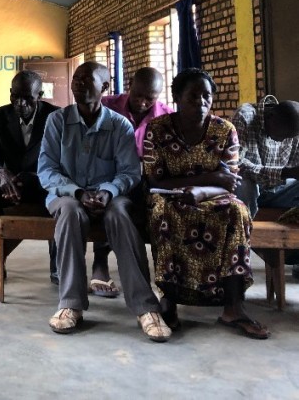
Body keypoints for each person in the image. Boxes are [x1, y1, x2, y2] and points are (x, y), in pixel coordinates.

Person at [38, 62, 170, 342]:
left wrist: (108, 191)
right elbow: (47, 170)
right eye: (76, 78)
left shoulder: (118, 125)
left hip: (108, 197)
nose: (79, 84)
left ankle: (146, 307)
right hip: (67, 197)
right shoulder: (57, 122)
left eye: (88, 79)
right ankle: (70, 304)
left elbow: (129, 172)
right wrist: (76, 192)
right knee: (70, 213)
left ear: (105, 88)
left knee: (121, 214)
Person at [144, 68, 269, 339]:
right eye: (193, 96)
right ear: (177, 97)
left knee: (237, 212)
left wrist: (202, 191)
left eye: (206, 96)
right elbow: (154, 181)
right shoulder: (158, 129)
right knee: (164, 211)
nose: (201, 102)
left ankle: (234, 308)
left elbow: (230, 182)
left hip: (213, 196)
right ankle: (169, 302)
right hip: (169, 196)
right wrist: (208, 177)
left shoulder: (225, 130)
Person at [0, 70, 59, 286]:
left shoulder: (56, 117)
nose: (21, 103)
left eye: (27, 97)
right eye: (15, 96)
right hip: (11, 184)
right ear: (10, 94)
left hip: (43, 183)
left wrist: (33, 177)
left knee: (60, 192)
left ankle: (58, 265)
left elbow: (61, 160)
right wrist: (1, 174)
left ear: (40, 95)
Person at [90, 67, 173, 297]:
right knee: (106, 194)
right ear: (130, 85)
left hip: (145, 180)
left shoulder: (166, 117)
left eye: (150, 98)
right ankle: (100, 262)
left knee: (158, 204)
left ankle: (159, 275)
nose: (143, 102)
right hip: (108, 173)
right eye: (138, 95)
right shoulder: (107, 105)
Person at [232, 96, 299, 219]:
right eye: (282, 135)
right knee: (242, 181)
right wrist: (285, 173)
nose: (283, 140)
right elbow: (236, 164)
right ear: (270, 116)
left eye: (289, 137)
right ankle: (243, 225)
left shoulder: (293, 127)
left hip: (278, 191)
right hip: (250, 190)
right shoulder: (245, 116)